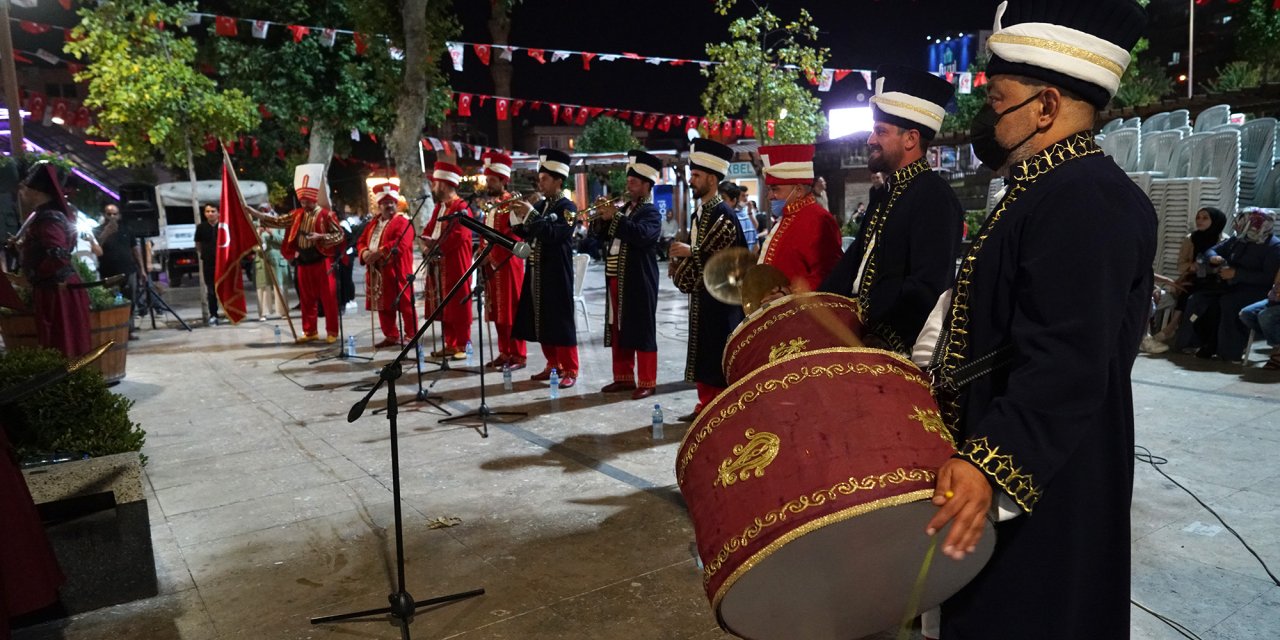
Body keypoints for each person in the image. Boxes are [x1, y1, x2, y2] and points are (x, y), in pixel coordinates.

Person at [921, 3, 1154, 638]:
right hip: (1029, 452)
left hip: (1054, 475)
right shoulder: (1045, 188)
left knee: (1036, 613)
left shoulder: (1084, 197)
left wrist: (990, 462)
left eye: (997, 100)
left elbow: (1066, 360)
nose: (986, 115)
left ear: (1045, 106)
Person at [820, 64, 963, 355]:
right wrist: (813, 304)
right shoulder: (884, 195)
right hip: (856, 339)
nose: (871, 139)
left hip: (897, 352)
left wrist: (877, 336)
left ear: (910, 138)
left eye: (880, 131)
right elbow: (852, 267)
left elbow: (927, 289)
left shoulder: (935, 197)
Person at [667, 139, 746, 421]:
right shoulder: (700, 212)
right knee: (703, 347)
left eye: (697, 175)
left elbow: (723, 254)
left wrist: (691, 252)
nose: (692, 180)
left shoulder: (723, 213)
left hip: (722, 298)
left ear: (712, 179)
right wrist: (679, 262)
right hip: (704, 293)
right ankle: (704, 405)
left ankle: (718, 409)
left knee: (716, 349)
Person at [589, 150, 663, 400]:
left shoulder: (650, 212)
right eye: (628, 182)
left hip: (639, 280)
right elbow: (599, 236)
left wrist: (616, 216)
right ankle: (622, 377)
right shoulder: (626, 209)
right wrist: (600, 218)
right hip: (615, 278)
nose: (628, 186)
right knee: (618, 327)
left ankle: (647, 380)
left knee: (642, 329)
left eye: (634, 183)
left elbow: (642, 235)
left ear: (646, 185)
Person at [509, 149, 580, 388]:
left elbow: (554, 234)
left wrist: (530, 216)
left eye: (545, 179)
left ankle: (570, 368)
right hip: (537, 270)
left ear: (559, 180)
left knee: (560, 320)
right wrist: (515, 217)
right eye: (540, 179)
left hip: (557, 271)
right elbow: (528, 233)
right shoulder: (541, 204)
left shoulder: (568, 207)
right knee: (540, 318)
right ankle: (552, 364)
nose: (541, 184)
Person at [254, 164, 344, 344]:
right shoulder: (296, 214)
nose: (304, 204)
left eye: (307, 201)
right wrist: (256, 214)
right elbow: (278, 221)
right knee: (306, 299)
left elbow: (340, 235)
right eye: (301, 201)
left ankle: (332, 331)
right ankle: (310, 331)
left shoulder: (327, 215)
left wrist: (321, 236)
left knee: (328, 298)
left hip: (322, 260)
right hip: (303, 261)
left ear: (314, 199)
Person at [1178, 208, 1280, 361]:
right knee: (1198, 299)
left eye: (1242, 221)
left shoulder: (1273, 247)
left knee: (1228, 303)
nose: (1237, 225)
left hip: (1255, 290)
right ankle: (1196, 343)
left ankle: (1228, 351)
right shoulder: (1239, 239)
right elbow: (1211, 251)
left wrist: (1237, 274)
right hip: (1230, 286)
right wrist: (1214, 257)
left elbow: (1268, 278)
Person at [15, 161, 91, 358]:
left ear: (37, 192)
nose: (22, 192)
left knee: (63, 344)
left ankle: (70, 386)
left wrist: (41, 275)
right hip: (52, 288)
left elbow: (57, 254)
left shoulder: (48, 217)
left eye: (26, 188)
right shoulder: (42, 215)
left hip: (57, 290)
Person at [1141, 206, 1227, 353]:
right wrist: (1192, 266)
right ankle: (1173, 328)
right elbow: (1181, 265)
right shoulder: (1191, 239)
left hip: (1217, 280)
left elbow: (1226, 264)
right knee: (1187, 288)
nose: (1200, 221)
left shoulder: (1225, 240)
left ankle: (1173, 327)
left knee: (1194, 293)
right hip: (1194, 277)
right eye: (1198, 217)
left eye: (1205, 218)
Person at [756, 144, 842, 291]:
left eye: (775, 189)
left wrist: (789, 293)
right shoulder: (786, 217)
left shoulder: (820, 219)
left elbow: (831, 274)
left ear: (799, 190)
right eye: (770, 190)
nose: (769, 196)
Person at [419, 161, 475, 359]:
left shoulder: (461, 208)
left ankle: (462, 344)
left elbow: (458, 236)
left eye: (435, 183)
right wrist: (426, 243)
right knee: (443, 305)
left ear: (443, 184)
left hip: (455, 264)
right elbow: (428, 229)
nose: (433, 187)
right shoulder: (439, 208)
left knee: (458, 304)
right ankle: (450, 343)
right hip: (439, 263)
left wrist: (435, 245)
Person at [479, 151, 528, 370]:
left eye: (491, 180)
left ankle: (518, 355)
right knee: (497, 311)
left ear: (503, 181)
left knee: (512, 311)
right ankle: (504, 351)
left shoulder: (512, 204)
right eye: (487, 180)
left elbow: (516, 236)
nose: (488, 184)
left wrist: (492, 255)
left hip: (507, 265)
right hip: (491, 266)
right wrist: (480, 254)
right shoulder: (491, 206)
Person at [358, 184, 418, 348]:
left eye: (392, 202)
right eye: (385, 202)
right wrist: (364, 253)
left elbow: (401, 243)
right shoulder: (373, 223)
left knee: (405, 304)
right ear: (379, 205)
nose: (389, 205)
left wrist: (380, 252)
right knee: (382, 304)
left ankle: (411, 335)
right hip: (376, 270)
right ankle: (391, 335)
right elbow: (361, 241)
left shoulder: (402, 222)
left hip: (397, 269)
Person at [92, 204, 146, 319]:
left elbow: (135, 250)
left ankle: (129, 328)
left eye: (114, 214)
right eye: (109, 214)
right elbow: (96, 248)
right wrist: (106, 233)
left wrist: (142, 269)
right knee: (113, 300)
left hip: (128, 270)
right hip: (108, 272)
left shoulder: (127, 229)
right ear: (104, 215)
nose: (112, 216)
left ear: (119, 215)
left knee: (129, 300)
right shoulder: (97, 231)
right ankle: (116, 328)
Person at [1238, 269, 1280, 369]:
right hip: (1275, 300)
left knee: (1265, 316)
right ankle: (1277, 343)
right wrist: (1276, 289)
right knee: (1246, 314)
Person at [253, 203, 289, 321]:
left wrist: (271, 233)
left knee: (280, 286)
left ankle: (283, 311)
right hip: (262, 260)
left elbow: (284, 241)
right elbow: (252, 244)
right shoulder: (255, 225)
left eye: (266, 211)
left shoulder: (279, 224)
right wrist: (259, 233)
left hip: (277, 259)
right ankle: (263, 313)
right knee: (263, 287)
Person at [193, 203, 221, 325]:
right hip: (209, 263)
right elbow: (198, 244)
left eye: (213, 211)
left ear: (218, 212)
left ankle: (231, 313)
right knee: (211, 290)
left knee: (225, 288)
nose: (210, 214)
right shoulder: (201, 227)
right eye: (207, 211)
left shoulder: (223, 226)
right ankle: (213, 314)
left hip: (223, 263)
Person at [721, 182, 757, 252]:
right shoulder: (727, 217)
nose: (746, 199)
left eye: (723, 199)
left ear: (734, 200)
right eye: (743, 196)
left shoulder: (743, 215)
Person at [337, 204, 358, 312]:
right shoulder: (342, 223)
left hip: (347, 255)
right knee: (343, 278)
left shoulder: (343, 224)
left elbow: (351, 239)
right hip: (343, 255)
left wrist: (345, 249)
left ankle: (349, 299)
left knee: (347, 278)